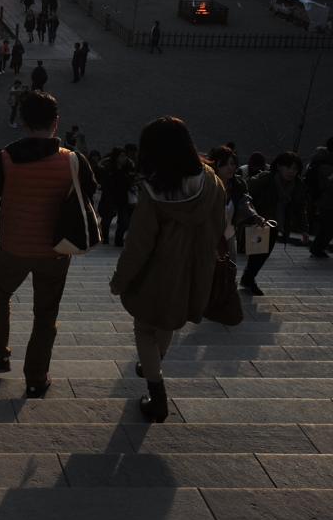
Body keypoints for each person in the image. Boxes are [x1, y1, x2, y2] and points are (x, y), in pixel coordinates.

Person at [0, 90, 96, 396]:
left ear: (24, 121)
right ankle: (36, 377)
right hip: (56, 251)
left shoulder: (4, 158)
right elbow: (91, 191)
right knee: (46, 314)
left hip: (13, 247)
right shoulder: (74, 160)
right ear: (56, 123)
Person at [110, 117, 226, 422]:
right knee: (170, 321)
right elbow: (219, 227)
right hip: (196, 270)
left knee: (146, 327)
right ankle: (156, 360)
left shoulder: (154, 193)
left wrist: (120, 280)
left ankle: (157, 394)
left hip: (158, 274)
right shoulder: (212, 181)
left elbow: (139, 245)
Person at [243, 151, 309, 293]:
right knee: (258, 252)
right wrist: (251, 215)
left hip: (275, 223)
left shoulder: (296, 185)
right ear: (278, 166)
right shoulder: (265, 179)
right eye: (288, 167)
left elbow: (299, 206)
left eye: (295, 169)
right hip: (258, 221)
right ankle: (248, 279)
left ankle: (248, 278)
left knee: (264, 253)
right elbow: (246, 196)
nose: (291, 172)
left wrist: (304, 229)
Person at [209, 145, 260, 259]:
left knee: (231, 268)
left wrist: (254, 216)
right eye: (225, 164)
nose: (230, 168)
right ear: (215, 164)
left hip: (230, 232)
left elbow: (245, 201)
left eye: (232, 163)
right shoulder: (209, 184)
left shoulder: (238, 184)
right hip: (209, 235)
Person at [307, 137, 333, 259]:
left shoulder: (321, 160)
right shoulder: (326, 166)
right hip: (327, 201)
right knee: (327, 227)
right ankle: (317, 249)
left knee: (326, 226)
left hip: (323, 200)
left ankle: (317, 249)